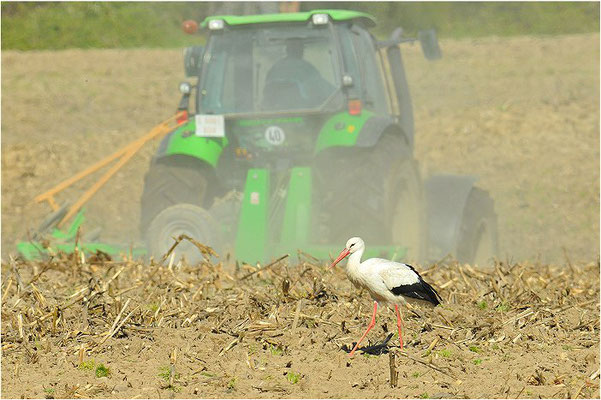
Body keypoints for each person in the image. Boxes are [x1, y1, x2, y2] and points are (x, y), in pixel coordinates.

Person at [263, 39, 335, 109]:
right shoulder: (306, 68)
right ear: (301, 50)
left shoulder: (274, 70)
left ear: (287, 50)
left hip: (276, 116)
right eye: (301, 48)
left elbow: (267, 94)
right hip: (306, 115)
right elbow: (327, 91)